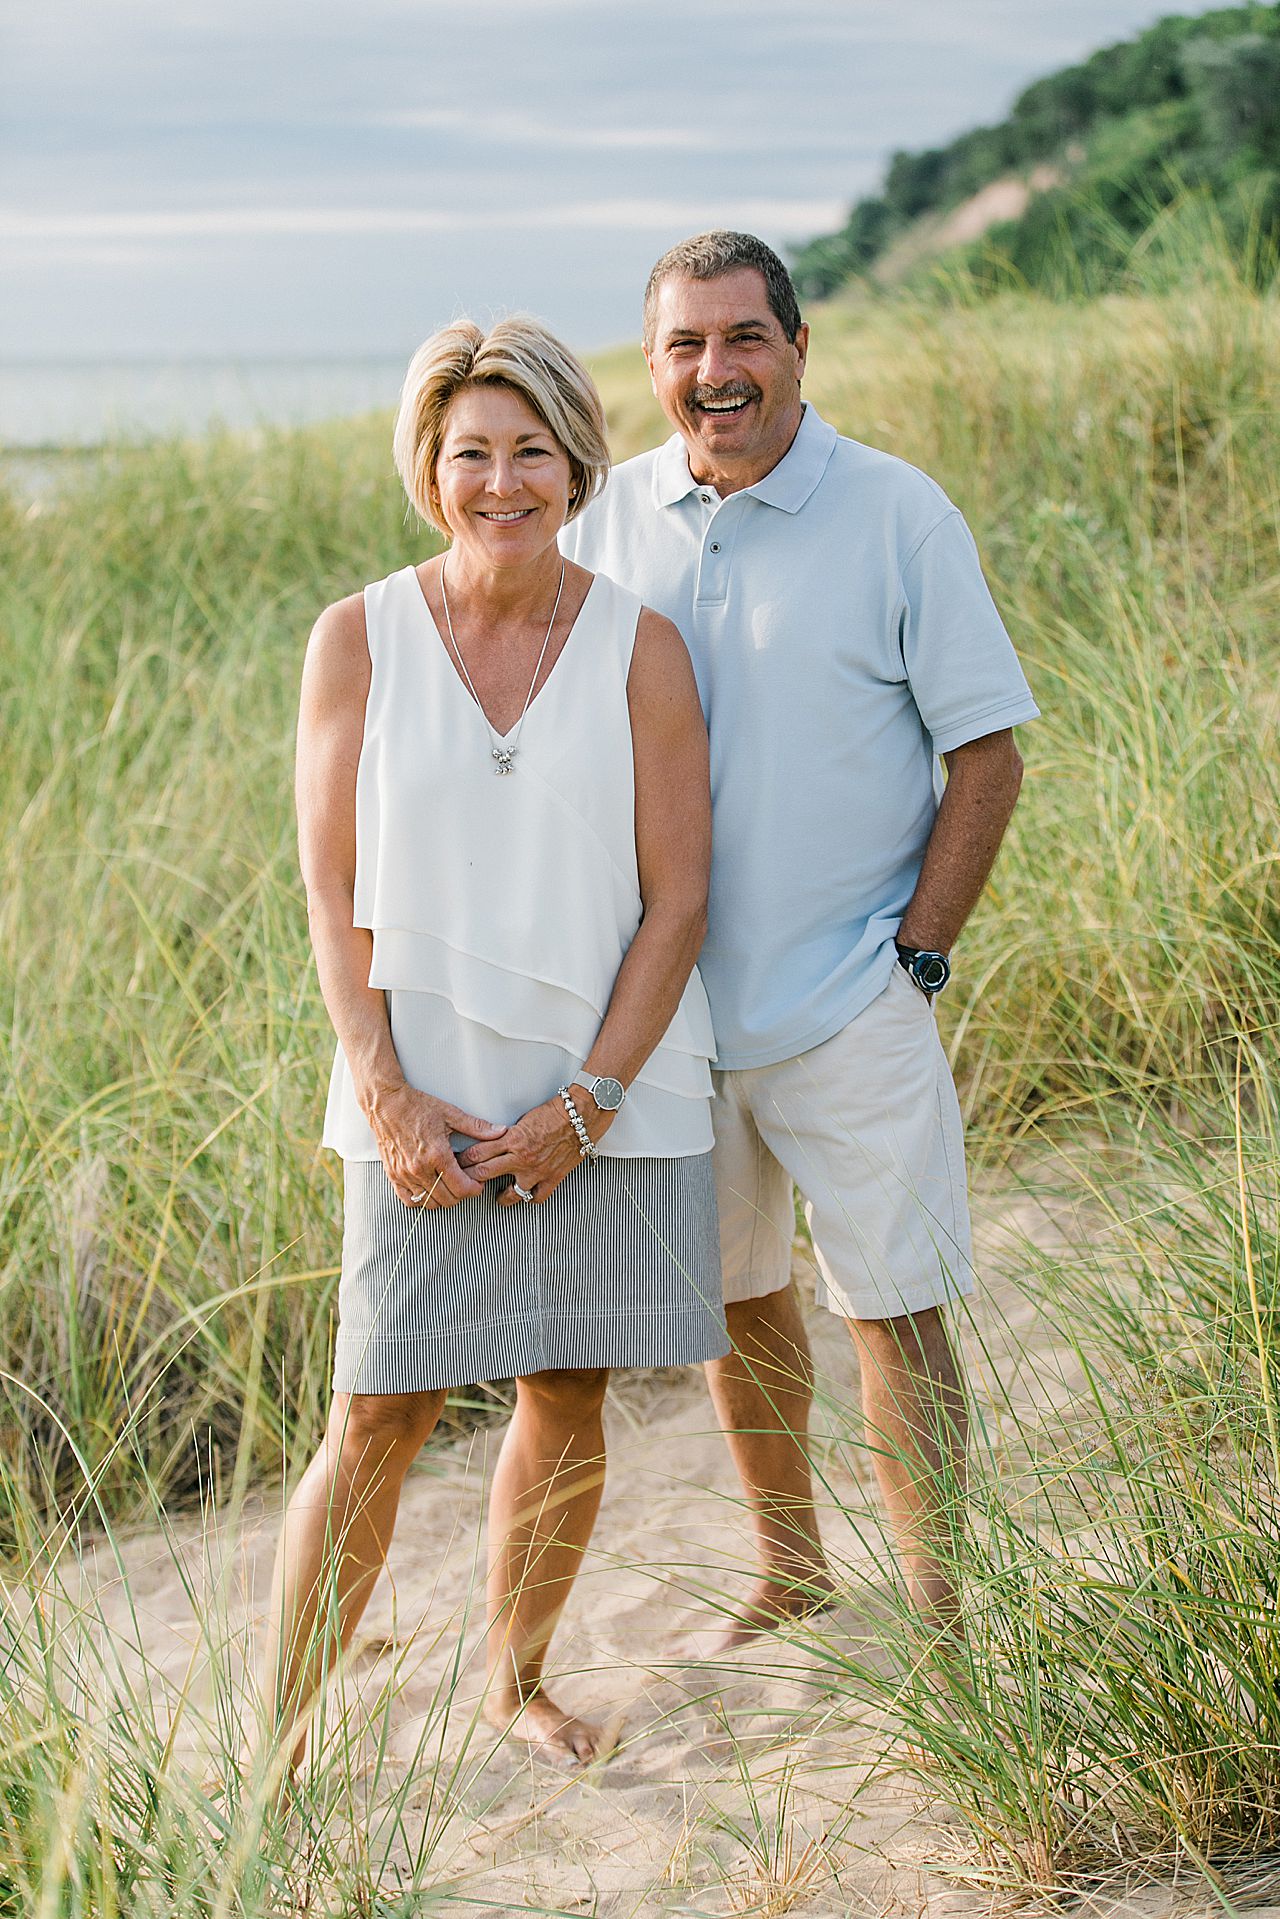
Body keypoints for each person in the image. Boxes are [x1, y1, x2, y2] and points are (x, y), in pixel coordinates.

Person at [561, 230, 1038, 1647]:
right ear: (651, 368)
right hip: (673, 1019)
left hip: (852, 1001)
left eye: (743, 339)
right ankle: (792, 1570)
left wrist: (920, 962)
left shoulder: (899, 514)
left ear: (798, 347)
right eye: (686, 348)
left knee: (896, 1310)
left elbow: (989, 757)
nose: (717, 373)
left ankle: (952, 1611)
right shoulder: (604, 522)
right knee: (739, 1306)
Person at [265, 315, 728, 1770]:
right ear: (429, 465)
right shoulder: (360, 635)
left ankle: (514, 1680)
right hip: (420, 1088)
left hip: (604, 1082)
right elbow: (330, 888)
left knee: (566, 1389)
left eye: (532, 448)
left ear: (578, 460)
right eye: (473, 451)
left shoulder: (642, 645)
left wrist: (593, 1099)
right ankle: (279, 1733)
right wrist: (384, 1091)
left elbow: (682, 896)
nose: (504, 479)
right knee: (379, 1407)